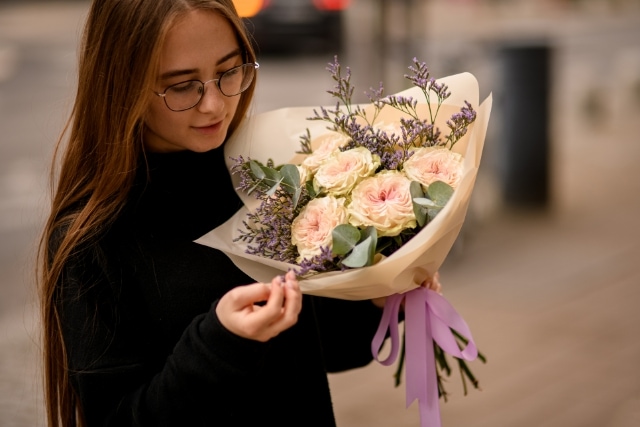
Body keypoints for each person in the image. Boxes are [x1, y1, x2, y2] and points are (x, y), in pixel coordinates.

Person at [37, 1, 387, 426]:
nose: (214, 104)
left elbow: (325, 351)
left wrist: (375, 293)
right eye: (182, 86)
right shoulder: (92, 235)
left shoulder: (268, 173)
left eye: (229, 71)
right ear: (121, 83)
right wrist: (219, 344)